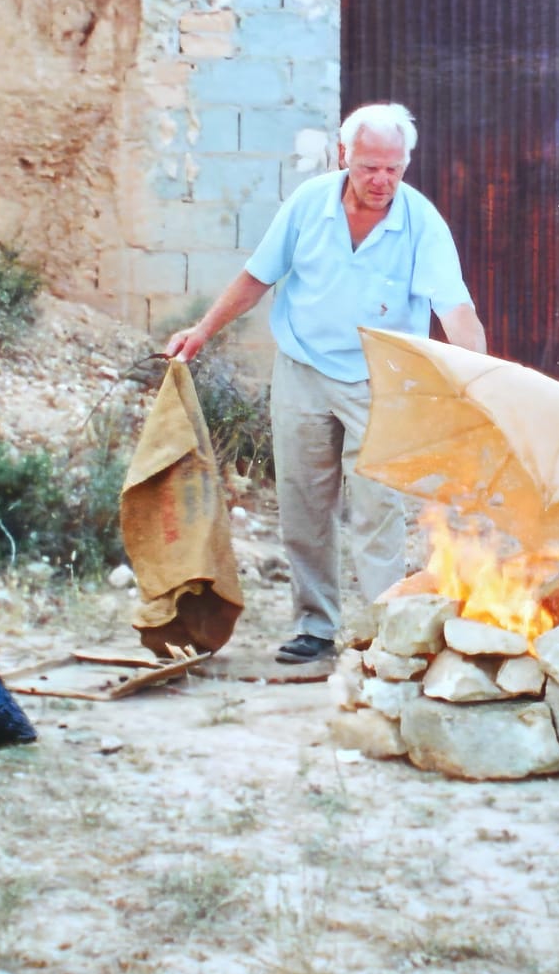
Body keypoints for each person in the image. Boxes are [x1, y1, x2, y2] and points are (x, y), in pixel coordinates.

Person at [165, 102, 486, 664]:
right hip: (303, 370)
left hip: (381, 379)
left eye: (393, 168)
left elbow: (454, 307)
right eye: (369, 167)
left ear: (406, 164)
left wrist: (482, 378)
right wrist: (203, 330)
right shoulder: (308, 205)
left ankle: (387, 629)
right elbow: (257, 277)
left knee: (377, 508)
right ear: (345, 157)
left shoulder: (421, 221)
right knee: (304, 504)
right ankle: (315, 626)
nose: (382, 180)